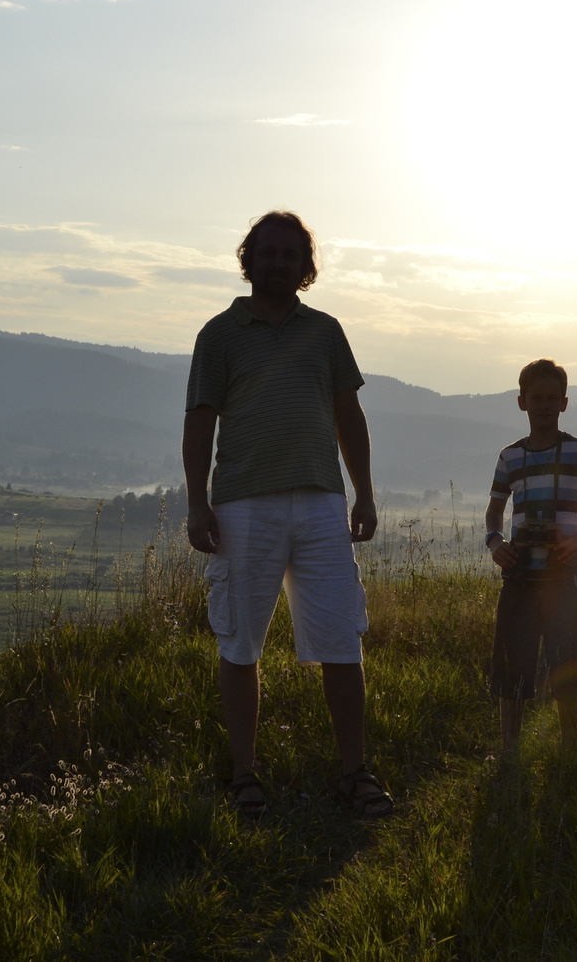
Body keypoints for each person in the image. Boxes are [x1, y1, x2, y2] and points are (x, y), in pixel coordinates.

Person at [183, 210, 392, 819]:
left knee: (341, 641)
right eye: (268, 252)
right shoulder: (219, 335)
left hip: (323, 502)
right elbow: (199, 422)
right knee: (239, 641)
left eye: (290, 254)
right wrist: (198, 501)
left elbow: (348, 416)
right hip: (243, 504)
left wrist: (366, 492)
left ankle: (355, 771)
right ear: (249, 258)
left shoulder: (325, 332)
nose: (278, 262)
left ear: (306, 266)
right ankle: (244, 775)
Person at [483, 359, 577, 757]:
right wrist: (495, 543)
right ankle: (510, 747)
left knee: (567, 657)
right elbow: (494, 510)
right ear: (522, 402)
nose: (543, 405)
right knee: (512, 659)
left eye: (551, 398)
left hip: (563, 573)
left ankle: (570, 748)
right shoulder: (509, 457)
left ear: (564, 403)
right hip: (520, 573)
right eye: (536, 398)